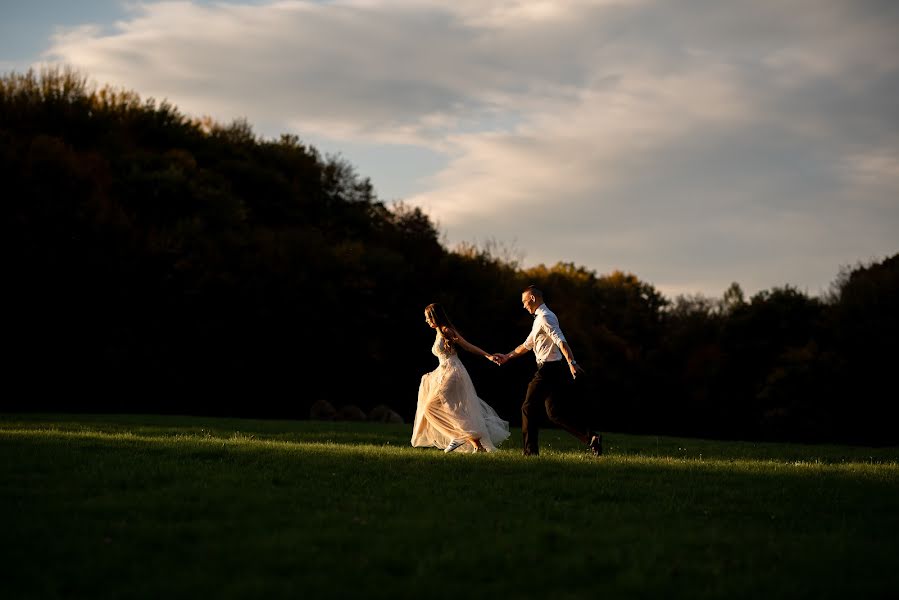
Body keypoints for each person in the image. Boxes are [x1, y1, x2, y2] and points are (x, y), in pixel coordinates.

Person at [495, 285, 602, 457]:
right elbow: (526, 345)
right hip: (552, 369)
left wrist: (572, 362)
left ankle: (530, 453)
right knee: (555, 414)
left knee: (528, 408)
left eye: (524, 302)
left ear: (532, 299)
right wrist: (507, 356)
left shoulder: (546, 317)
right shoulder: (538, 320)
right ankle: (591, 438)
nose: (523, 306)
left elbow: (561, 341)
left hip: (549, 369)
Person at [411, 303, 511, 453]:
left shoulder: (447, 331)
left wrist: (488, 356)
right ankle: (478, 447)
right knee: (453, 409)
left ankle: (457, 435)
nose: (426, 321)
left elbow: (467, 345)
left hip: (453, 372)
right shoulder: (439, 333)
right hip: (444, 370)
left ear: (434, 317)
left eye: (428, 318)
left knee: (431, 407)